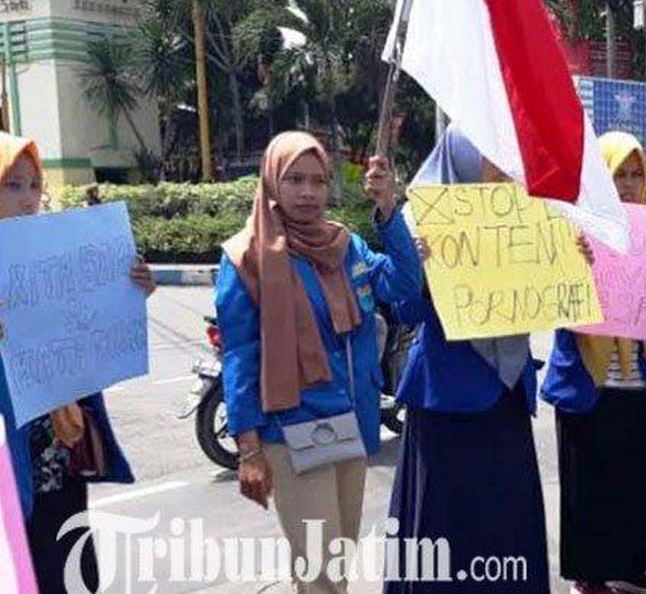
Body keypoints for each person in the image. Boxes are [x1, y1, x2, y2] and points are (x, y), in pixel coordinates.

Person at [214, 131, 422, 594]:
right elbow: (240, 359)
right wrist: (249, 449)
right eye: (294, 180)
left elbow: (406, 284)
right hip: (291, 431)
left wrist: (389, 209)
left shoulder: (345, 247)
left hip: (350, 421)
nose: (308, 192)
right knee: (322, 571)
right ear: (271, 182)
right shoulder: (246, 258)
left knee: (333, 565)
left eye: (318, 181)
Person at [383, 127, 553, 593]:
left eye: (508, 161)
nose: (501, 172)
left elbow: (552, 300)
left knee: (505, 521)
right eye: (490, 159)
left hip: (506, 396)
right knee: (446, 526)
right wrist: (419, 268)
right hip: (447, 400)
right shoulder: (422, 220)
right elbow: (406, 310)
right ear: (460, 158)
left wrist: (574, 261)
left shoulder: (530, 216)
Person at [0, 131, 153, 593]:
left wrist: (127, 289)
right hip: (11, 474)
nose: (29, 200)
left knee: (74, 576)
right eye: (12, 185)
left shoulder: (54, 259)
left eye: (33, 185)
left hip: (58, 461)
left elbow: (82, 338)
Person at [541, 132, 646, 594]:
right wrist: (577, 265)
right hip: (590, 382)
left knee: (640, 479)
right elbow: (555, 302)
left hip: (641, 384)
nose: (625, 184)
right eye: (615, 174)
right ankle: (589, 573)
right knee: (593, 484)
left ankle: (632, 563)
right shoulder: (573, 228)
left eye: (634, 174)